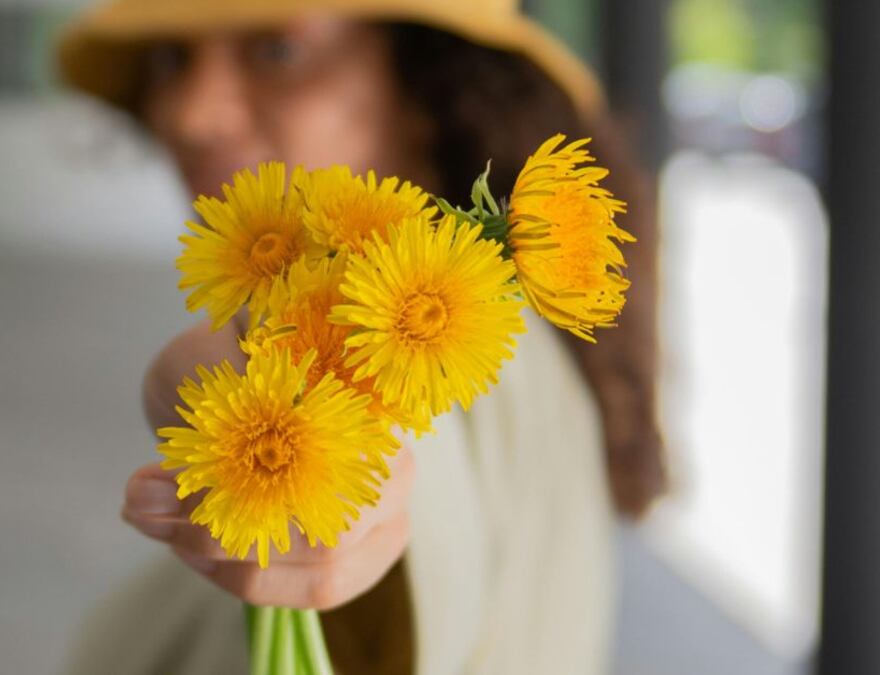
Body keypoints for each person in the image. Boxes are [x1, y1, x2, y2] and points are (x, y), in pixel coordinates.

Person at [58, 1, 665, 673]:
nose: (188, 114)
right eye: (175, 59)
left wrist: (241, 396)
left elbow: (407, 483)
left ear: (429, 85)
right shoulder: (533, 356)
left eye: (278, 51)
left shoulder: (466, 356)